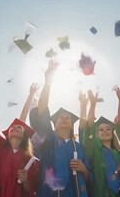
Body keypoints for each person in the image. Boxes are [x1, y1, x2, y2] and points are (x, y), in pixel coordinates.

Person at [29, 61, 91, 197]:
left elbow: (88, 178)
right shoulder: (48, 139)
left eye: (67, 118)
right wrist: (48, 82)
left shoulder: (79, 147)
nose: (64, 118)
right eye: (60, 117)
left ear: (71, 124)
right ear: (54, 124)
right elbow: (42, 110)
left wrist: (84, 170)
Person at [0, 71, 40, 197]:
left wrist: (25, 179)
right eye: (13, 126)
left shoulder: (29, 160)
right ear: (7, 132)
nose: (16, 127)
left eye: (19, 127)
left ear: (25, 135)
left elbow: (29, 191)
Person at [82, 90, 120, 197]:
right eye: (101, 129)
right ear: (96, 134)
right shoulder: (94, 151)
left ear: (113, 134)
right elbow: (89, 127)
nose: (105, 131)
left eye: (108, 129)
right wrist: (93, 105)